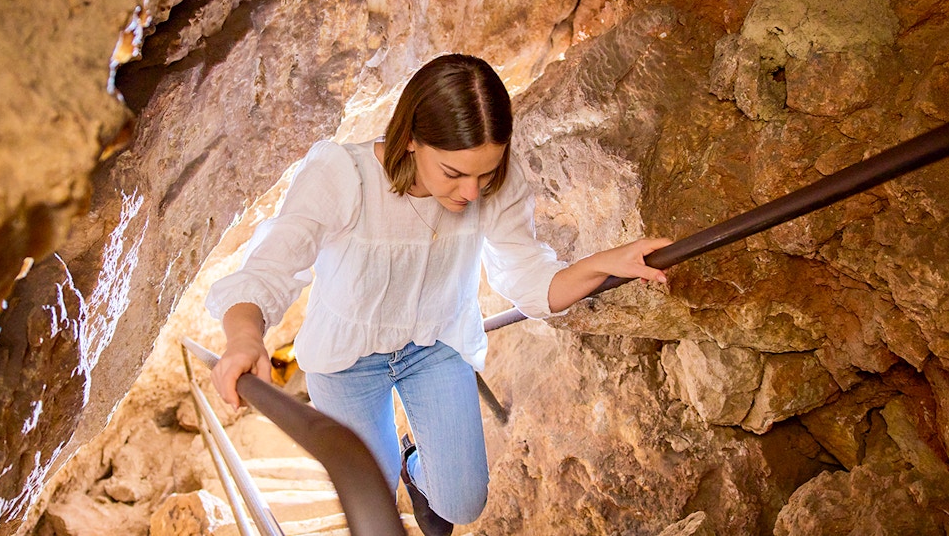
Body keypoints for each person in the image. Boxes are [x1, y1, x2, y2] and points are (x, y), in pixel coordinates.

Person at [207, 53, 669, 535]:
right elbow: (269, 270)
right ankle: (395, 471)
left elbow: (532, 282)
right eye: (454, 173)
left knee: (464, 504)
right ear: (409, 139)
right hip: (346, 363)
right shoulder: (343, 177)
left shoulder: (497, 184)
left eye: (484, 174)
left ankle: (417, 470)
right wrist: (243, 339)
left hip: (436, 345)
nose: (471, 192)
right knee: (373, 497)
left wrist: (605, 262)